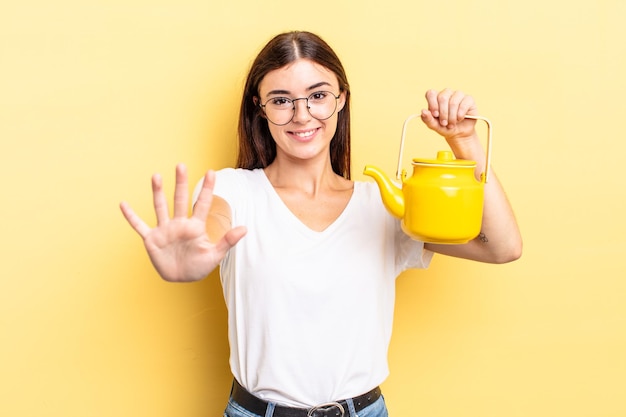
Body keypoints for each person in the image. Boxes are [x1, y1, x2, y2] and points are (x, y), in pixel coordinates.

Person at [120, 31, 522, 417]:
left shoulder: (383, 207)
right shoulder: (235, 190)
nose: (302, 115)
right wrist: (195, 252)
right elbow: (212, 222)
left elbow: (501, 246)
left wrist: (465, 141)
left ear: (341, 99)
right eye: (281, 100)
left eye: (317, 96)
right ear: (259, 109)